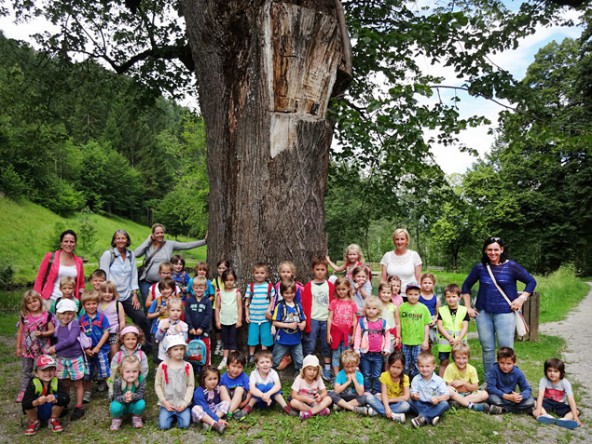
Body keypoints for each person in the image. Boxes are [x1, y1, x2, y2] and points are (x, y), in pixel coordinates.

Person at [462, 237, 537, 378]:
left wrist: (521, 298)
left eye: (496, 249)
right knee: (488, 349)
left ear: (502, 250)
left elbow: (531, 281)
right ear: (485, 251)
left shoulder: (511, 266)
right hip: (483, 313)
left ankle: (506, 380)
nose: (493, 252)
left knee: (506, 350)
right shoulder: (480, 268)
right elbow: (466, 286)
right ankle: (490, 381)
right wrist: (468, 307)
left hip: (505, 313)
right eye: (489, 249)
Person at [99, 229, 152, 353]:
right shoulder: (108, 255)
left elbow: (134, 274)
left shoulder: (131, 254)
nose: (121, 240)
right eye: (118, 238)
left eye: (123, 238)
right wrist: (105, 294)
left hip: (127, 294)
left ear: (127, 240)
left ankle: (146, 346)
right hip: (111, 296)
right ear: (114, 240)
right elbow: (103, 275)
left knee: (141, 318)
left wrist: (134, 294)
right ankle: (115, 349)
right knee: (113, 323)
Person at [135, 223, 207, 302]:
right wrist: (148, 240)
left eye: (162, 232)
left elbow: (187, 245)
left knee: (163, 305)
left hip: (163, 283)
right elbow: (136, 254)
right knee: (148, 306)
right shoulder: (148, 245)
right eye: (157, 233)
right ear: (153, 234)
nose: (160, 235)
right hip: (146, 282)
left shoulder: (170, 244)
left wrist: (204, 241)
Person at [47, 298, 87, 421]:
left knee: (77, 383)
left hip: (74, 358)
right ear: (58, 314)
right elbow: (54, 338)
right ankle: (65, 404)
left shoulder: (74, 324)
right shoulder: (57, 324)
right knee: (64, 383)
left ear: (73, 314)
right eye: (63, 313)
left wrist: (56, 347)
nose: (66, 316)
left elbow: (71, 340)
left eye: (69, 313)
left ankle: (79, 406)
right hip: (61, 359)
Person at [16, 290, 55, 403]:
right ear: (25, 305)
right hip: (27, 349)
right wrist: (18, 347)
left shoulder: (46, 315)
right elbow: (20, 332)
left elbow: (52, 330)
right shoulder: (24, 316)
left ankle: (46, 389)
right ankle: (24, 390)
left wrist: (42, 334)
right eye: (29, 302)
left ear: (39, 301)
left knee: (44, 369)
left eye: (35, 300)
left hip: (42, 349)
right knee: (26, 370)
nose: (33, 304)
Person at [233, 350, 294, 419]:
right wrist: (263, 395)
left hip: (271, 401)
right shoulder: (254, 374)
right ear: (257, 365)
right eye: (262, 362)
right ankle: (248, 407)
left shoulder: (273, 373)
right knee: (260, 387)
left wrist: (268, 394)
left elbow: (278, 385)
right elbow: (252, 389)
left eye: (267, 362)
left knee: (270, 386)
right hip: (258, 402)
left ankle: (285, 407)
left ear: (271, 364)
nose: (265, 364)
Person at [34, 229, 85, 310]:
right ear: (61, 243)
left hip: (70, 303)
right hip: (49, 300)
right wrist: (37, 297)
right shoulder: (50, 257)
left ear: (75, 244)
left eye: (72, 242)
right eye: (66, 241)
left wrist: (81, 300)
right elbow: (39, 279)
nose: (69, 244)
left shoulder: (79, 261)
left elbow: (82, 283)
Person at [302, 257, 335, 380]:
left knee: (326, 345)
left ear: (326, 270)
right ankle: (306, 368)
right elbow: (305, 304)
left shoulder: (330, 286)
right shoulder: (308, 286)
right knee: (310, 344)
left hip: (326, 319)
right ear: (313, 270)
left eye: (322, 269)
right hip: (313, 319)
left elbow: (333, 303)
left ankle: (327, 369)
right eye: (317, 269)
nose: (320, 272)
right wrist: (306, 321)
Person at [21, 355, 69, 435]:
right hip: (37, 410)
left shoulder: (57, 382)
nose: (48, 373)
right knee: (27, 405)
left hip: (52, 409)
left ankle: (53, 419)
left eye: (51, 369)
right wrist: (36, 402)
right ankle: (34, 421)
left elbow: (66, 398)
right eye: (44, 370)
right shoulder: (32, 384)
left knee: (61, 400)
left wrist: (55, 398)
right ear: (36, 373)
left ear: (55, 371)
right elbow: (24, 403)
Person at [155, 335, 195, 430]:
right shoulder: (163, 365)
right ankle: (168, 414)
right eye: (176, 349)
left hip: (182, 403)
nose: (179, 352)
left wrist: (185, 403)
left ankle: (181, 414)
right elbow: (158, 385)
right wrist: (164, 402)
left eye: (182, 349)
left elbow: (190, 386)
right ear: (169, 351)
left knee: (184, 425)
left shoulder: (187, 366)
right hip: (168, 403)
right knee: (163, 426)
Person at [353, 297, 391, 394]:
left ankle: (377, 391)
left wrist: (387, 347)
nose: (371, 311)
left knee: (377, 374)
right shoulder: (362, 322)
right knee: (366, 373)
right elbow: (357, 336)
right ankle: (367, 390)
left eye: (374, 308)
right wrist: (356, 349)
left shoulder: (383, 322)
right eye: (368, 308)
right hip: (365, 353)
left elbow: (387, 336)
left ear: (379, 310)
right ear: (365, 309)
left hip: (378, 353)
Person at [79, 290, 111, 404]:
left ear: (97, 304)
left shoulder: (102, 317)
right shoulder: (81, 319)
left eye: (94, 303)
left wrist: (98, 347)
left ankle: (112, 390)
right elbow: (80, 335)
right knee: (87, 372)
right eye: (88, 304)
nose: (91, 306)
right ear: (84, 305)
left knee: (105, 370)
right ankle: (87, 391)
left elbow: (106, 333)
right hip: (87, 351)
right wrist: (86, 349)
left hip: (101, 348)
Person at [534, 358, 581, 429]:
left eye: (555, 371)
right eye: (549, 370)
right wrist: (538, 409)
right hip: (547, 402)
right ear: (545, 371)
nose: (552, 373)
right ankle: (545, 415)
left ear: (561, 372)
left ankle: (565, 420)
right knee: (533, 401)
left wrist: (575, 417)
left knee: (576, 411)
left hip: (560, 404)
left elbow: (571, 400)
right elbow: (540, 395)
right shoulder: (544, 380)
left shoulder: (565, 383)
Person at [486, 347, 534, 415]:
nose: (505, 366)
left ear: (514, 363)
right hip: (500, 396)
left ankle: (503, 409)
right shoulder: (494, 369)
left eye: (509, 363)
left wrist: (520, 396)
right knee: (491, 398)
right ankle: (522, 409)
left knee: (531, 401)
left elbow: (527, 388)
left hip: (512, 398)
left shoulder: (517, 372)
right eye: (502, 363)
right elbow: (491, 388)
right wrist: (507, 397)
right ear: (498, 361)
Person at [364, 351, 410, 422]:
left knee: (406, 406)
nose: (395, 370)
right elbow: (384, 394)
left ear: (403, 368)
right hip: (384, 400)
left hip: (396, 402)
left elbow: (406, 397)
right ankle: (393, 415)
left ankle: (377, 412)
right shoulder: (384, 375)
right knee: (368, 397)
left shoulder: (405, 378)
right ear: (388, 365)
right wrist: (387, 406)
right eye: (393, 366)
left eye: (398, 368)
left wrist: (390, 401)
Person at [271, 280, 306, 371]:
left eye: (292, 293)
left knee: (300, 362)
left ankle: (299, 375)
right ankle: (273, 374)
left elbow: (303, 319)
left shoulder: (298, 306)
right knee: (275, 361)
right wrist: (289, 325)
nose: (289, 295)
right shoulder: (280, 306)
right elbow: (275, 322)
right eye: (286, 293)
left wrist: (303, 324)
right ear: (282, 293)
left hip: (296, 339)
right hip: (282, 339)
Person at [244, 262, 275, 362]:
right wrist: (247, 314)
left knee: (265, 337)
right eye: (257, 273)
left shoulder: (269, 287)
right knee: (252, 337)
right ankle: (251, 355)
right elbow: (247, 301)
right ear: (253, 273)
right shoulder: (251, 286)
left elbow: (272, 300)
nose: (259, 275)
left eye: (262, 273)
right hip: (253, 318)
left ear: (266, 274)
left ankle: (263, 355)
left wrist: (269, 310)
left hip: (265, 318)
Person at [409, 351, 450, 427]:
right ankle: (432, 416)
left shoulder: (439, 380)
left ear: (433, 367)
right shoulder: (416, 379)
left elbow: (446, 395)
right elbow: (413, 392)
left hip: (433, 404)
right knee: (409, 400)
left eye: (427, 366)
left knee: (444, 404)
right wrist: (414, 395)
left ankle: (423, 417)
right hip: (420, 403)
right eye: (421, 366)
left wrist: (438, 399)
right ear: (417, 366)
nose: (424, 369)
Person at [443, 343, 489, 412]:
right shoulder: (450, 367)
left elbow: (475, 387)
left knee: (485, 394)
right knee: (448, 390)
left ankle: (458, 403)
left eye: (464, 358)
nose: (461, 361)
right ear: (454, 358)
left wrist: (464, 383)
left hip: (467, 394)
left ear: (468, 357)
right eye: (458, 358)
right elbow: (449, 386)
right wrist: (468, 387)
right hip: (455, 394)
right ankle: (470, 404)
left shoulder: (472, 369)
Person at [399, 282, 431, 378]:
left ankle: (416, 382)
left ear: (419, 294)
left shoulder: (423, 308)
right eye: (410, 294)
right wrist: (399, 336)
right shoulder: (402, 307)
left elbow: (426, 324)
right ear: (406, 294)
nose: (413, 297)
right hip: (405, 340)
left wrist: (425, 340)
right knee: (405, 362)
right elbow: (399, 323)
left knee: (417, 362)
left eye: (416, 294)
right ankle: (405, 381)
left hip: (418, 341)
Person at [327, 277, 357, 378]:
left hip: (347, 334)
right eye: (339, 289)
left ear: (348, 288)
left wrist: (353, 335)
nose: (341, 291)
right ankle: (336, 376)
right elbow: (330, 319)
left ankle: (346, 375)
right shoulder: (334, 302)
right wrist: (328, 334)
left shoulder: (351, 303)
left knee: (346, 355)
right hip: (335, 333)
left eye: (343, 289)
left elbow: (354, 320)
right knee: (335, 354)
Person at [108, 326, 149, 401]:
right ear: (122, 340)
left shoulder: (141, 354)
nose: (131, 341)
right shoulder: (118, 355)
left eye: (133, 339)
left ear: (137, 339)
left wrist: (139, 380)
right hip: (121, 383)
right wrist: (111, 388)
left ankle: (137, 396)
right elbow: (112, 372)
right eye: (127, 339)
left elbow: (145, 370)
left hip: (136, 382)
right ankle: (118, 397)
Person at [436, 284, 469, 376]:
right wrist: (450, 338)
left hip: (460, 342)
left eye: (454, 297)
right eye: (448, 297)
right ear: (445, 298)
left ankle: (459, 378)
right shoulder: (441, 310)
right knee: (444, 361)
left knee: (459, 361)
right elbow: (440, 326)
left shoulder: (464, 310)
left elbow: (465, 326)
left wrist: (458, 340)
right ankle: (441, 381)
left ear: (459, 297)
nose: (451, 299)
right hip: (445, 342)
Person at [290, 354, 333, 420]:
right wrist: (305, 399)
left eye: (315, 370)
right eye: (309, 369)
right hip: (302, 402)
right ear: (304, 370)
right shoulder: (299, 378)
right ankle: (318, 411)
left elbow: (324, 392)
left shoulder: (318, 378)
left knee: (328, 399)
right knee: (293, 402)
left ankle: (308, 413)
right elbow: (293, 395)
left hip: (314, 402)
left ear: (318, 370)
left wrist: (320, 397)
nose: (312, 372)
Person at [215, 268, 243, 370]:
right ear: (223, 281)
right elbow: (217, 308)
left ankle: (233, 360)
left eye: (231, 280)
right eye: (227, 280)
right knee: (225, 341)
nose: (229, 282)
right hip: (223, 321)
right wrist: (217, 320)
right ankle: (225, 358)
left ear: (234, 280)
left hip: (234, 321)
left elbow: (240, 307)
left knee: (233, 341)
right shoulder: (220, 293)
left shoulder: (237, 293)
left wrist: (239, 319)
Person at [109, 355, 146, 430]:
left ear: (139, 371)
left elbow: (140, 394)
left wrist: (133, 396)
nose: (131, 375)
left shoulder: (141, 379)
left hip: (133, 403)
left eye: (135, 371)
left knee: (141, 403)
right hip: (121, 403)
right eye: (128, 372)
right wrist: (124, 397)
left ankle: (136, 417)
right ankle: (117, 419)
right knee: (114, 406)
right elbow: (116, 396)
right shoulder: (118, 381)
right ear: (121, 371)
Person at [191, 366, 230, 434]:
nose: (213, 382)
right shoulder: (199, 392)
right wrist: (218, 419)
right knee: (195, 408)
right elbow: (205, 408)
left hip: (213, 410)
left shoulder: (216, 388)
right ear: (203, 379)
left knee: (226, 403)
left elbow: (216, 402)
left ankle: (209, 422)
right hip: (202, 413)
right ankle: (215, 424)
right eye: (210, 379)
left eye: (215, 378)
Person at [185, 276, 213, 370]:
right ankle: (192, 366)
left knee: (205, 347)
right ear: (192, 287)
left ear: (205, 288)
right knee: (192, 348)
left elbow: (208, 316)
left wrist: (201, 328)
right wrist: (190, 327)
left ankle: (206, 367)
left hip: (204, 330)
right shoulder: (189, 301)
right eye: (196, 287)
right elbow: (187, 315)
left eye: (201, 288)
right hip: (191, 331)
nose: (199, 290)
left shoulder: (207, 301)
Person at [328, 350, 367, 414]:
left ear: (356, 365)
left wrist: (354, 380)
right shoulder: (340, 374)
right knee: (332, 394)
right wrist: (348, 382)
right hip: (342, 396)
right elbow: (337, 391)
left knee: (364, 398)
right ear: (343, 366)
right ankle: (353, 408)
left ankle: (341, 406)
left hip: (354, 397)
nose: (350, 369)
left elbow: (360, 393)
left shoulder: (359, 375)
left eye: (352, 366)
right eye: (347, 367)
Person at [98, 280, 127, 360]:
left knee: (114, 354)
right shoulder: (97, 304)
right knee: (100, 353)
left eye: (110, 292)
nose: (107, 294)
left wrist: (121, 331)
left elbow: (122, 320)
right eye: (104, 292)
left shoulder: (117, 304)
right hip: (100, 332)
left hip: (113, 332)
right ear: (100, 292)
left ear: (114, 293)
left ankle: (114, 368)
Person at [154, 298, 189, 363]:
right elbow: (157, 338)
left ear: (182, 311)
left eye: (178, 310)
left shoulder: (183, 325)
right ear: (167, 311)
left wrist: (180, 332)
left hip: (178, 354)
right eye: (172, 310)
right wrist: (161, 330)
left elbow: (185, 340)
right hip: (164, 354)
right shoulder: (162, 322)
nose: (175, 313)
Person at [220, 351, 251, 419]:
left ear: (243, 367)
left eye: (239, 367)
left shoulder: (244, 377)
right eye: (233, 366)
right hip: (227, 399)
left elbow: (249, 392)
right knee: (221, 388)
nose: (236, 370)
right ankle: (234, 411)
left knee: (239, 389)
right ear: (227, 366)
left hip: (240, 399)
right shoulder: (222, 377)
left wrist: (243, 403)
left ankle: (229, 411)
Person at [212, 259, 231, 357]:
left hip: (227, 307)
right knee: (217, 327)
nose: (221, 270)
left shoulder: (229, 280)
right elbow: (212, 292)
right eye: (219, 268)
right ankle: (218, 343)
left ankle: (225, 345)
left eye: (224, 268)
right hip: (216, 306)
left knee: (225, 327)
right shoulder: (215, 281)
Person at [377, 282, 400, 354]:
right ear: (379, 293)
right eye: (383, 292)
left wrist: (398, 337)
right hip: (377, 336)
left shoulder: (394, 307)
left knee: (389, 356)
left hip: (391, 337)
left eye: (388, 293)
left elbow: (397, 323)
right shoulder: (376, 306)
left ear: (391, 294)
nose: (386, 295)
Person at [419, 273, 440, 346]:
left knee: (429, 343)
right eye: (425, 283)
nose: (427, 285)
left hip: (431, 321)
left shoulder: (436, 299)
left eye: (429, 283)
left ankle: (428, 356)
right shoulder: (418, 297)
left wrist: (434, 321)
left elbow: (438, 314)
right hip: (420, 320)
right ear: (421, 283)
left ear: (433, 284)